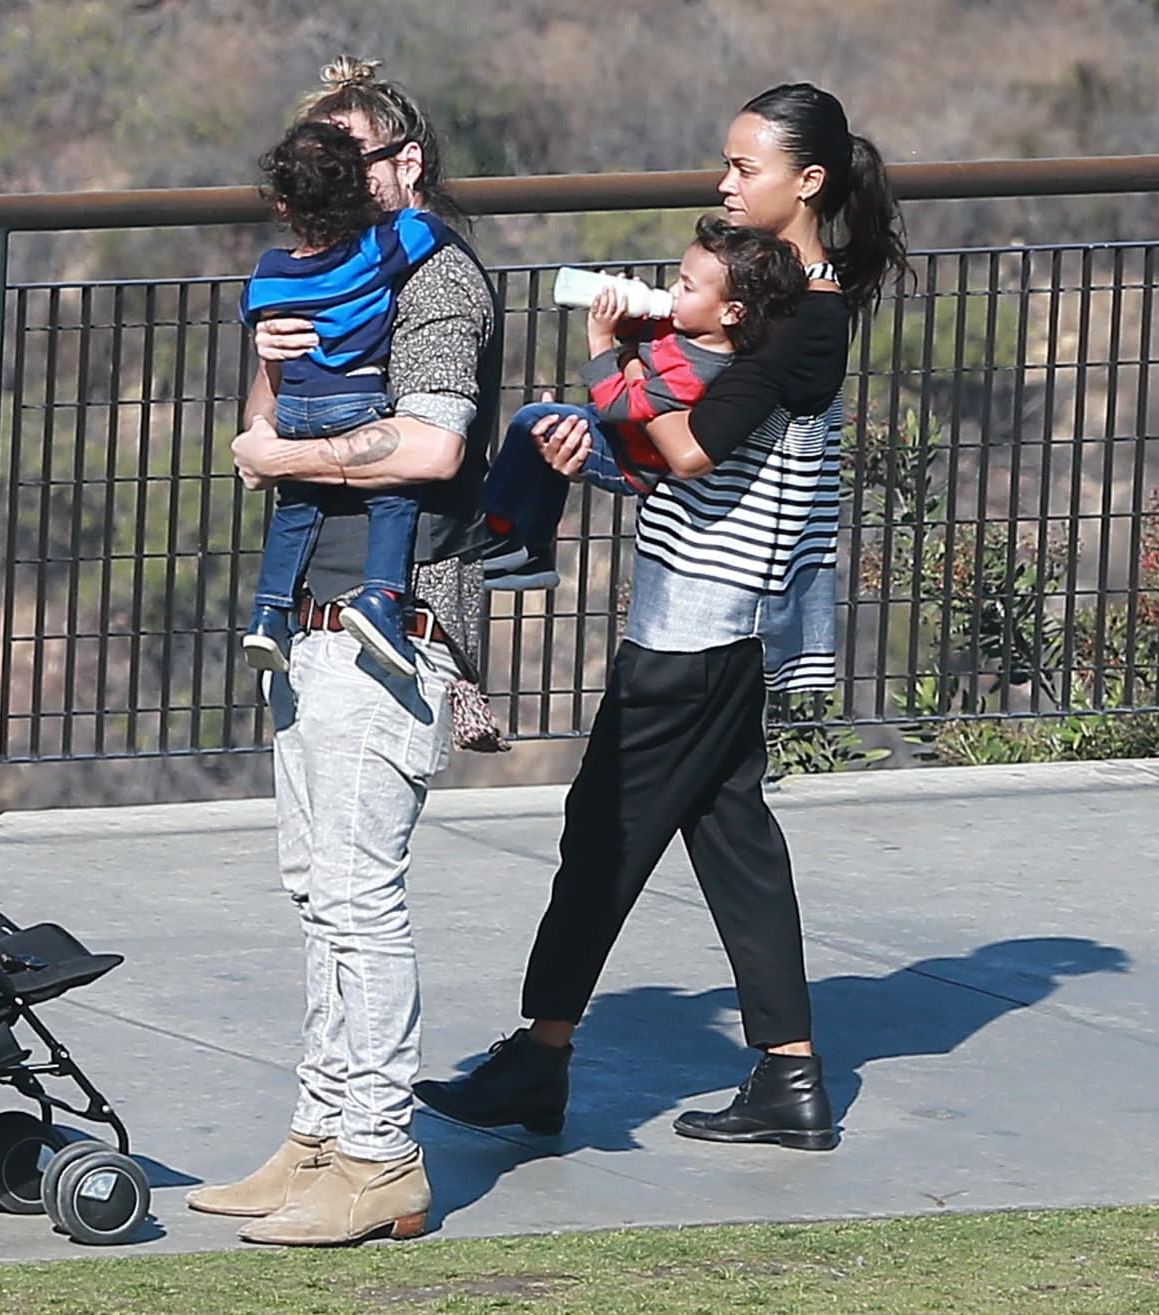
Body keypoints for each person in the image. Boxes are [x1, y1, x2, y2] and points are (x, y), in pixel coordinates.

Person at [415, 82, 908, 1151]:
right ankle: (789, 1075)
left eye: (743, 168)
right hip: (714, 622)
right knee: (733, 840)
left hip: (696, 631)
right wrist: (593, 449)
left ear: (806, 181)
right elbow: (696, 464)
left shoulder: (800, 323)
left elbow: (692, 450)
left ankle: (539, 1059)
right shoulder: (777, 302)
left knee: (601, 836)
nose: (724, 183)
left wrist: (613, 372)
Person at [185, 55, 500, 1246]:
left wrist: (280, 456)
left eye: (345, 154)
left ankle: (380, 1157)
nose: (322, 177)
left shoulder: (438, 280)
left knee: (360, 897)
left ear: (402, 164)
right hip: (310, 625)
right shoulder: (325, 274)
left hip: (394, 626)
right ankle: (318, 1137)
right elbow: (257, 436)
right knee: (316, 889)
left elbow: (429, 447)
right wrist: (269, 380)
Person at [477, 219, 808, 591]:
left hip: (627, 459)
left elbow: (620, 404)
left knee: (532, 420)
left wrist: (601, 340)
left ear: (732, 312)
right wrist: (625, 316)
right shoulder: (686, 327)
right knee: (542, 433)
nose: (674, 291)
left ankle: (497, 533)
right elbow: (642, 338)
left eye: (688, 287)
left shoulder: (695, 373)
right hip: (621, 434)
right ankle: (531, 549)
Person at [241, 119, 452, 677]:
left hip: (296, 407)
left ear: (284, 205)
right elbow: (430, 226)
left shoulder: (271, 271)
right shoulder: (379, 250)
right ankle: (381, 596)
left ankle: (268, 613)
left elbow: (253, 311)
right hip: (354, 397)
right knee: (393, 492)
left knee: (296, 510)